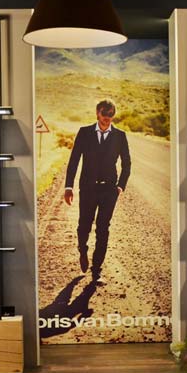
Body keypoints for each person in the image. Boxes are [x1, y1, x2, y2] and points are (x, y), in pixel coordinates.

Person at [63, 99, 131, 281]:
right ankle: (82, 250)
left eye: (110, 114)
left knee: (103, 228)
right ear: (97, 113)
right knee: (84, 225)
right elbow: (74, 160)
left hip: (109, 190)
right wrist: (68, 186)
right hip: (88, 188)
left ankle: (96, 270)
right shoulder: (84, 132)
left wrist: (120, 186)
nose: (107, 118)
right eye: (104, 113)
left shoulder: (120, 136)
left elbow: (126, 163)